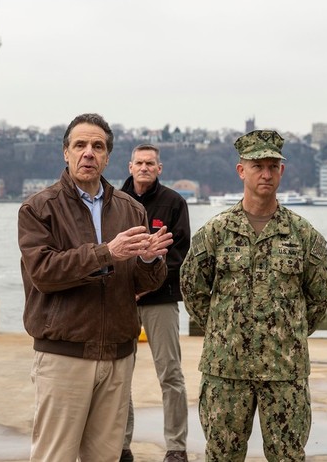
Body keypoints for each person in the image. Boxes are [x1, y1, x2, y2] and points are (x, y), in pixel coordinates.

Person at [18, 113, 173, 461]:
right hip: (63, 355)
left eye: (97, 146)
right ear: (66, 153)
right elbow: (43, 272)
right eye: (80, 145)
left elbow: (141, 284)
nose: (88, 153)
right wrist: (107, 252)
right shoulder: (39, 208)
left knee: (105, 457)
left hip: (118, 356)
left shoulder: (131, 209)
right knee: (54, 456)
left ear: (107, 157)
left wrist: (149, 261)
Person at [181, 129, 327, 462]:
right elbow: (192, 288)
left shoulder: (303, 234)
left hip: (284, 371)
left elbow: (320, 294)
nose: (265, 173)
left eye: (272, 166)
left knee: (288, 456)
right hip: (226, 368)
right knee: (222, 455)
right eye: (257, 166)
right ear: (241, 171)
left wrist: (287, 334)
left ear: (282, 171)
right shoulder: (216, 231)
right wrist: (224, 329)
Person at [120, 144, 190, 462]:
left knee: (171, 374)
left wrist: (147, 285)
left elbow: (178, 254)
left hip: (161, 299)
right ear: (130, 166)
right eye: (140, 162)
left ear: (159, 168)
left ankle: (176, 447)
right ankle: (120, 445)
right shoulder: (114, 201)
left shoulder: (174, 203)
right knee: (118, 373)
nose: (145, 167)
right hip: (121, 298)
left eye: (151, 163)